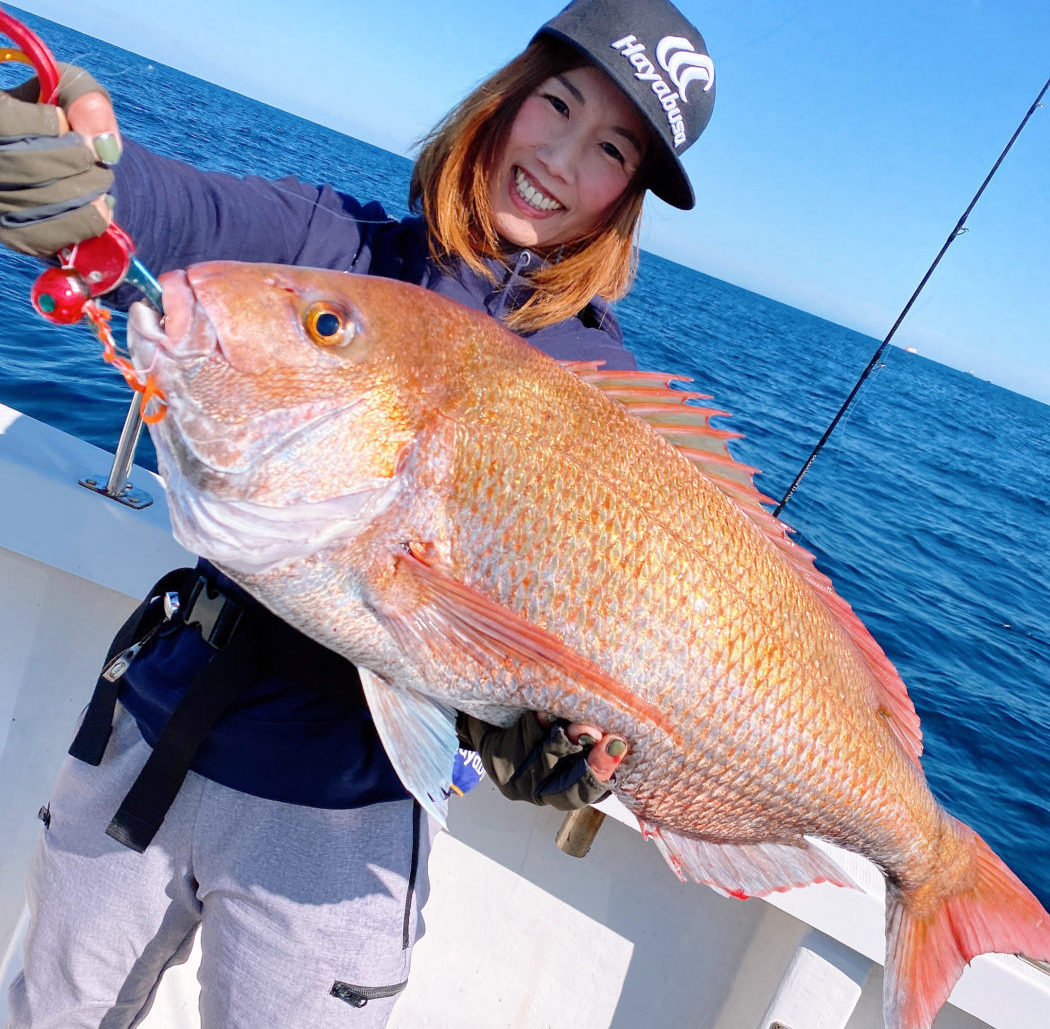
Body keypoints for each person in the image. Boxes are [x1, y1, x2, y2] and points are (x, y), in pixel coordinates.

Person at [0, 0, 715, 1025]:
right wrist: (64, 147)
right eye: (555, 103)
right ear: (505, 98)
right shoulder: (334, 247)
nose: (559, 158)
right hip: (147, 740)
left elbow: (633, 638)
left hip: (342, 831)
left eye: (610, 148)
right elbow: (161, 212)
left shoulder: (602, 395)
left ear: (626, 198)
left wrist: (543, 736)